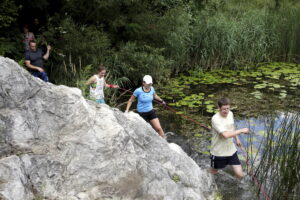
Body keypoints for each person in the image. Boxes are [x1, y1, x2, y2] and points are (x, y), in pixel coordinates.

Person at [210, 97, 249, 179]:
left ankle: (233, 187)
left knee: (240, 175)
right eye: (224, 109)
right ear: (219, 108)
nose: (226, 111)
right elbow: (225, 135)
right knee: (214, 172)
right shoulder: (215, 119)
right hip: (218, 153)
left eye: (228, 108)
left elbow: (232, 127)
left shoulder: (230, 113)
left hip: (231, 150)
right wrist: (241, 130)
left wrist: (237, 139)